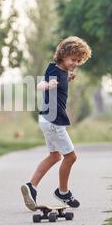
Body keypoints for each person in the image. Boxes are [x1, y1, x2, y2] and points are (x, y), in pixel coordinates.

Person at [21, 36, 92, 210]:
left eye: (78, 61)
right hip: (53, 121)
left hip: (46, 119)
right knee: (71, 156)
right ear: (63, 55)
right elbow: (40, 85)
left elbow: (60, 76)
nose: (75, 63)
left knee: (54, 156)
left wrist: (67, 77)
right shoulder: (53, 73)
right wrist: (47, 85)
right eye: (73, 60)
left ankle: (32, 187)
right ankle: (63, 192)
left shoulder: (59, 70)